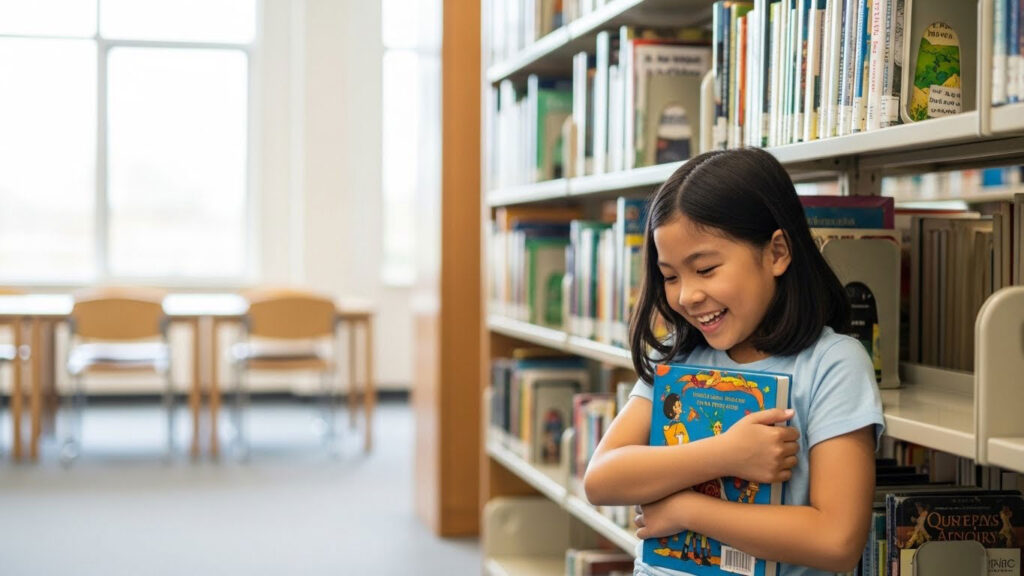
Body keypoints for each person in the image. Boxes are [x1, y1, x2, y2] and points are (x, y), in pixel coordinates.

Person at [583, 148, 885, 575]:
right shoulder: (682, 354)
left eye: (705, 269)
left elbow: (836, 541)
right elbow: (602, 478)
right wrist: (725, 454)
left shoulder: (831, 364)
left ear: (777, 253)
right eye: (670, 276)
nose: (686, 295)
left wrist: (687, 509)